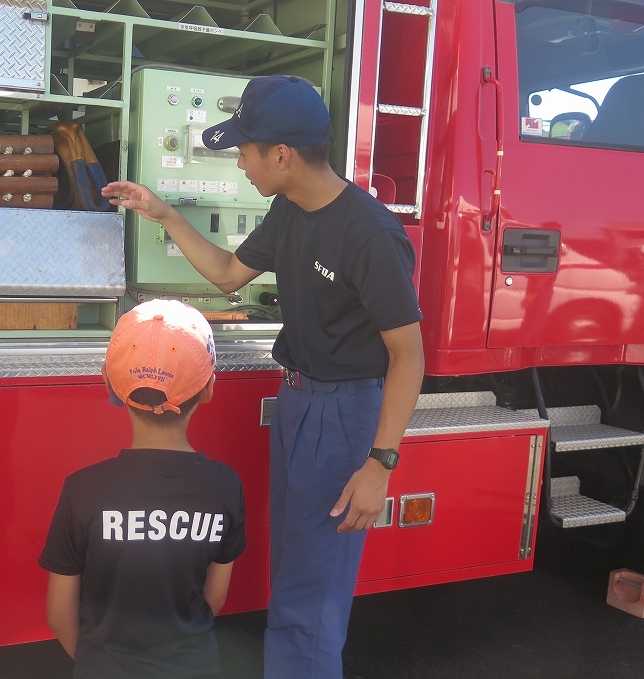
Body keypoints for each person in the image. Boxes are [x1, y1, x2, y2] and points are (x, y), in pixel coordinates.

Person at [101, 75, 424, 678]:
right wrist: (163, 213)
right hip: (298, 403)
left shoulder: (370, 234)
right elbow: (227, 273)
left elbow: (409, 355)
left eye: (245, 151)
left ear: (282, 155)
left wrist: (380, 463)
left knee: (313, 591)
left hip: (347, 415)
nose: (240, 162)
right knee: (295, 570)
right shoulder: (290, 208)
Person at [39, 298, 247, 679]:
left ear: (110, 384)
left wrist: (96, 665)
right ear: (208, 388)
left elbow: (59, 614)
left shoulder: (83, 489)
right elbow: (213, 599)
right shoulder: (225, 485)